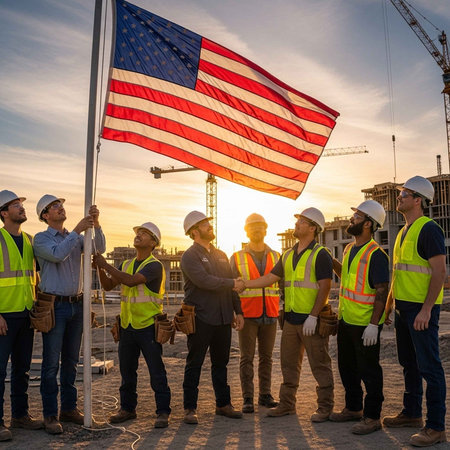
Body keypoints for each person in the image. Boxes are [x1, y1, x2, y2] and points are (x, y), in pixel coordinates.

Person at [241, 207, 334, 422]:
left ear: (313, 228)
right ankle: (287, 404)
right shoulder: (289, 254)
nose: (297, 223)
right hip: (291, 320)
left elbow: (325, 287)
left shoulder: (320, 254)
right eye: (298, 220)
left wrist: (313, 315)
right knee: (288, 365)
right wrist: (244, 284)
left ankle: (325, 407)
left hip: (311, 320)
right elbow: (270, 278)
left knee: (320, 364)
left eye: (302, 221)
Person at [33, 194, 106, 434]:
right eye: (55, 207)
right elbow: (57, 254)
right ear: (45, 215)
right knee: (51, 363)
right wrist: (77, 230)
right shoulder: (42, 239)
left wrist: (97, 224)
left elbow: (99, 248)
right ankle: (50, 415)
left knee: (72, 361)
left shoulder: (74, 237)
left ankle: (69, 409)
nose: (61, 209)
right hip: (55, 306)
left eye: (62, 205)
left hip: (77, 305)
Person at [383, 176, 447, 447]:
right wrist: (389, 306)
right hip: (403, 309)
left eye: (403, 194)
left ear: (418, 199)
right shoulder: (402, 231)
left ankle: (435, 427)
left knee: (429, 367)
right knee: (408, 364)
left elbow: (439, 272)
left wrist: (427, 310)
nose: (399, 198)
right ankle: (411, 414)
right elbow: (397, 273)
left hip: (421, 311)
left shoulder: (428, 229)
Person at [93, 222, 171, 429]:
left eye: (144, 234)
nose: (139, 236)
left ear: (153, 243)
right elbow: (109, 285)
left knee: (156, 371)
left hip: (148, 327)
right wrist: (101, 269)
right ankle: (127, 409)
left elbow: (130, 282)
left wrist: (105, 264)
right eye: (138, 233)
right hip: (127, 326)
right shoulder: (126, 264)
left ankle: (163, 412)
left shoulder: (154, 265)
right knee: (127, 372)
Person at [329, 200, 389, 435]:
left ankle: (372, 417)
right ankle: (353, 408)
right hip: (346, 320)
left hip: (365, 324)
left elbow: (382, 290)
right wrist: (331, 261)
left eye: (357, 216)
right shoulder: (349, 248)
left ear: (368, 224)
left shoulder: (376, 254)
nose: (352, 218)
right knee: (347, 367)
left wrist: (374, 324)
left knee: (369, 370)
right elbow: (347, 276)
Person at [180, 211, 245, 425]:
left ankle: (223, 404)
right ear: (195, 231)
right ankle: (190, 408)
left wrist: (239, 311)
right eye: (206, 224)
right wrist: (231, 284)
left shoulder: (221, 255)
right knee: (195, 363)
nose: (210, 227)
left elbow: (231, 284)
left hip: (223, 317)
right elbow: (204, 281)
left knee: (221, 363)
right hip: (201, 317)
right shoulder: (190, 256)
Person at [0, 191, 43, 442]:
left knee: (22, 370)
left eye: (21, 205)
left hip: (26, 316)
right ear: (4, 213)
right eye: (16, 205)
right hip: (4, 316)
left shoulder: (28, 240)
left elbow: (33, 277)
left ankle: (20, 416)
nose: (21, 208)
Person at [230, 213, 280, 413]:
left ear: (266, 230)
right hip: (248, 315)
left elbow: (282, 285)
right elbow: (231, 288)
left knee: (267, 358)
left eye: (260, 226)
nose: (257, 230)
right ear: (246, 231)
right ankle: (248, 398)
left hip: (271, 314)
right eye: (253, 227)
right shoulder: (237, 257)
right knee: (246, 358)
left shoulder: (277, 256)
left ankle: (265, 395)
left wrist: (281, 310)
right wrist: (237, 313)